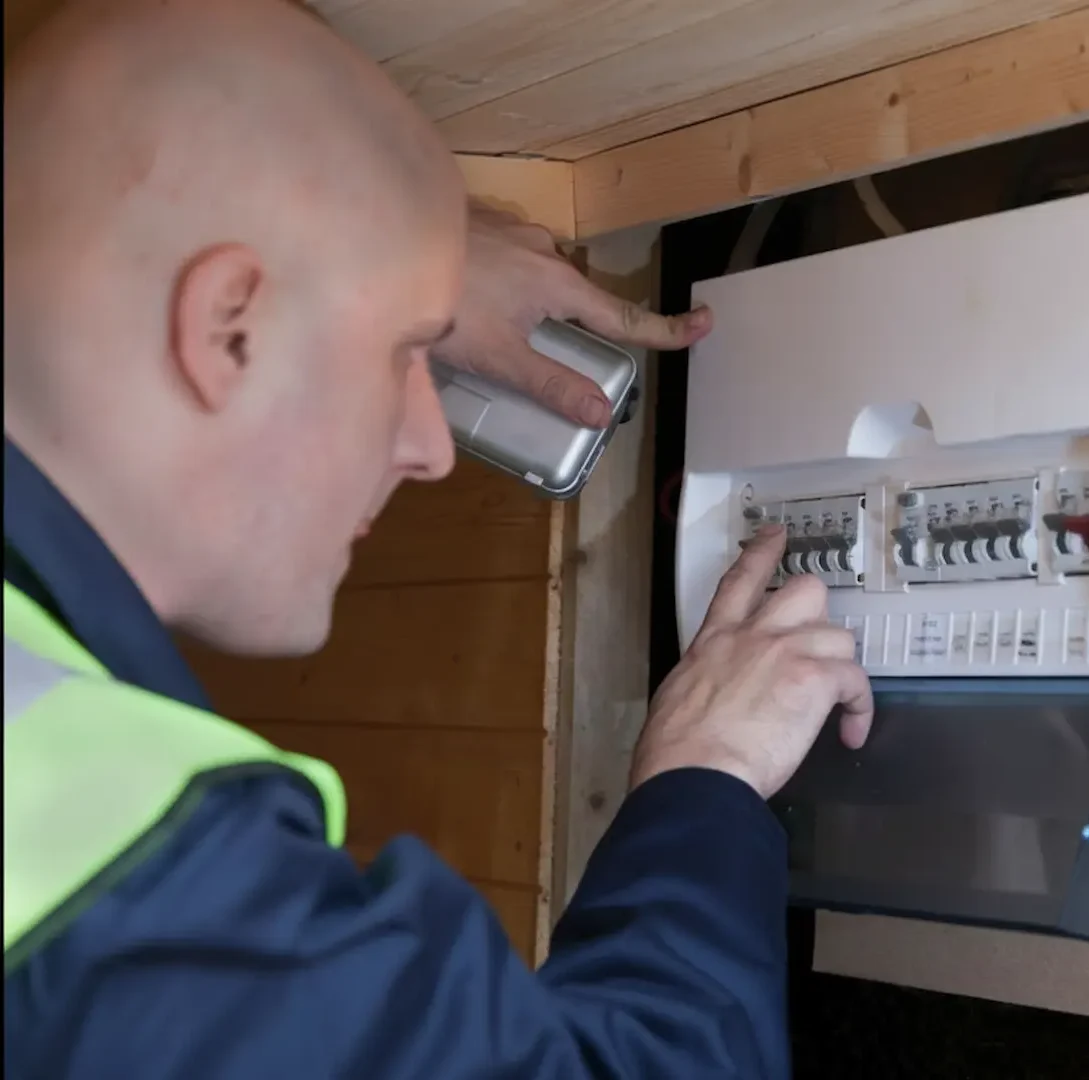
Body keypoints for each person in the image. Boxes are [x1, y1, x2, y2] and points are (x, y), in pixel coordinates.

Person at [2, 1, 873, 1076]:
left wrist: (379, 262)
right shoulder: (107, 864)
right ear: (229, 326)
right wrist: (711, 771)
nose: (430, 446)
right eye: (408, 352)